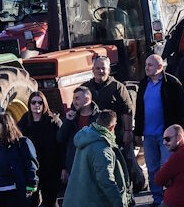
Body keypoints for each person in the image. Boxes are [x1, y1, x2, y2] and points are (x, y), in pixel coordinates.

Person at [81, 57, 142, 191]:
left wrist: (127, 132)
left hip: (117, 134)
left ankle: (139, 184)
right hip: (95, 135)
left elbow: (127, 110)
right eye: (98, 68)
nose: (101, 71)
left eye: (104, 68)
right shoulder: (86, 87)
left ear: (109, 70)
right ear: (92, 70)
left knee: (126, 162)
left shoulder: (117, 87)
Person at [137, 55, 184, 205]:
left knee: (167, 167)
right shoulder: (143, 84)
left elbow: (181, 110)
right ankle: (157, 198)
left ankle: (169, 198)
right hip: (148, 134)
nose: (146, 68)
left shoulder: (172, 83)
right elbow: (139, 109)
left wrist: (180, 131)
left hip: (167, 136)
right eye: (146, 64)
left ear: (160, 67)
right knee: (152, 168)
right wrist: (138, 131)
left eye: (150, 65)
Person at [62, 110, 133, 207]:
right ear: (112, 127)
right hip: (95, 202)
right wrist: (119, 203)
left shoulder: (86, 137)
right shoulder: (103, 148)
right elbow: (106, 181)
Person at [0, 113, 39, 207]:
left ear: (6, 126)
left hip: (13, 194)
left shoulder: (22, 143)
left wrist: (31, 185)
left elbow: (31, 165)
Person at [19, 93, 63, 207]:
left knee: (50, 202)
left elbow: (61, 147)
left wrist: (63, 168)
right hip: (31, 170)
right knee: (31, 202)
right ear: (29, 104)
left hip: (50, 170)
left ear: (44, 104)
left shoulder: (53, 122)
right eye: (33, 102)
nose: (37, 105)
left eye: (40, 102)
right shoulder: (24, 122)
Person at [58, 87, 101, 183]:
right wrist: (67, 121)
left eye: (77, 98)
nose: (74, 102)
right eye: (73, 99)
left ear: (87, 99)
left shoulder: (99, 118)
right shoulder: (71, 118)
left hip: (94, 168)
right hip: (74, 168)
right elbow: (60, 139)